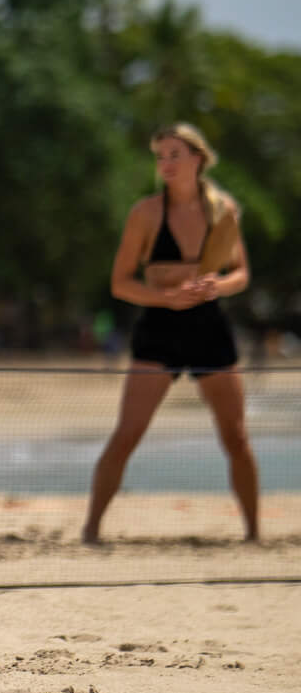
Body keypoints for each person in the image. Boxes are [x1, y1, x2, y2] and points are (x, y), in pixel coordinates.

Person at [83, 124, 258, 544]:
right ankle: (91, 530)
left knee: (235, 435)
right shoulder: (145, 213)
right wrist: (165, 299)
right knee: (127, 433)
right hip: (159, 328)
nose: (165, 163)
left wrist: (217, 286)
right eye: (160, 156)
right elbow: (120, 283)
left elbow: (241, 273)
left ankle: (254, 534)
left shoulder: (224, 209)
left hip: (209, 327)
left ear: (197, 158)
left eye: (174, 154)